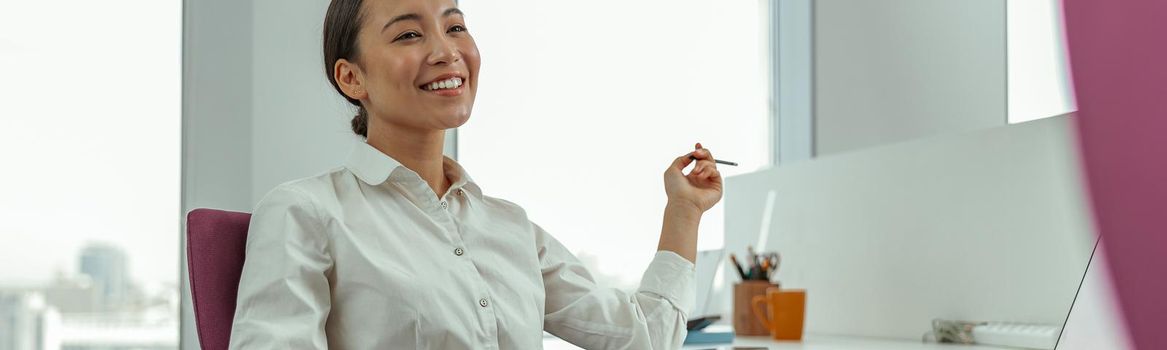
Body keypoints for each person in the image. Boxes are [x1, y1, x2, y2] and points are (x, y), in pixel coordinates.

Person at [228, 0, 724, 348]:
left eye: (455, 27)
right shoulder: (307, 212)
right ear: (351, 77)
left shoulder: (509, 227)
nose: (446, 51)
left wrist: (684, 211)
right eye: (408, 34)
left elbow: (645, 337)